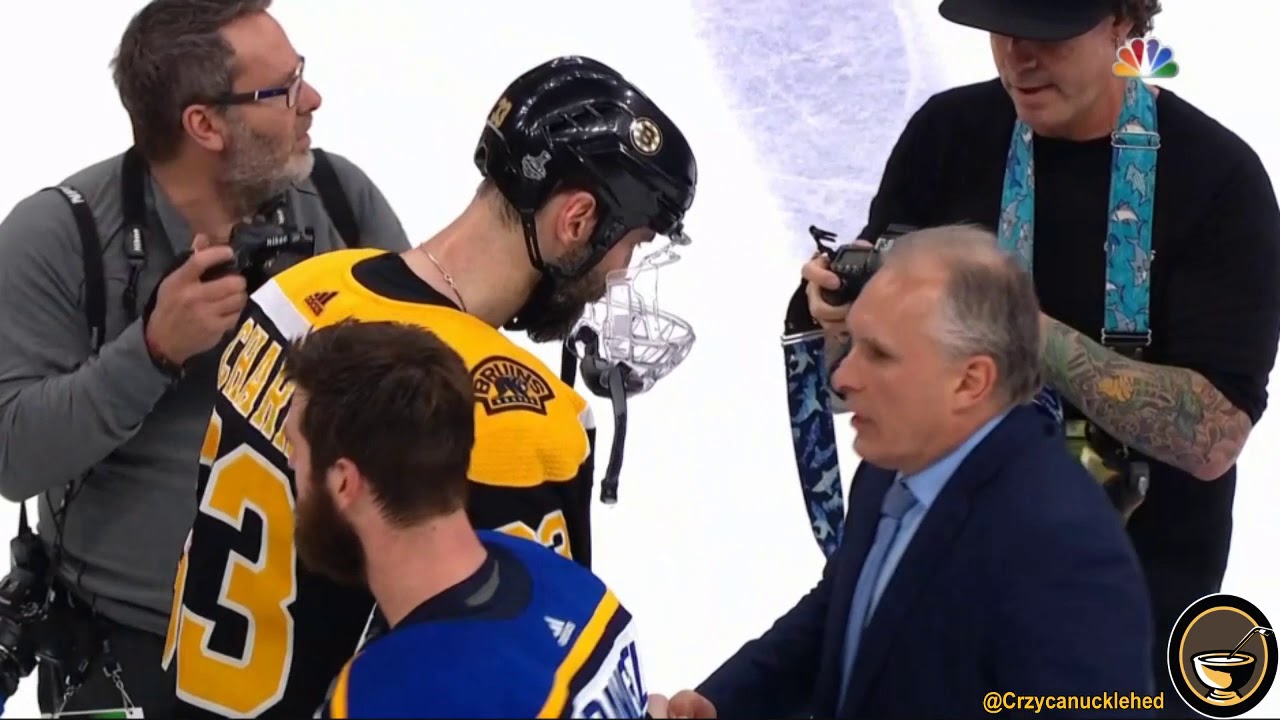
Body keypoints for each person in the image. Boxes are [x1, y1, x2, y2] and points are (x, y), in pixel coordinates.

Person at [164, 54, 697, 718]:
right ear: (578, 220)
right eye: (634, 244)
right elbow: (523, 679)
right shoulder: (515, 414)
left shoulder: (300, 293)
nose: (622, 270)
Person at [799, 0, 1280, 712]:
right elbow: (858, 378)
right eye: (1003, 28)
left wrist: (1016, 328)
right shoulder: (948, 136)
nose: (1018, 57)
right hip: (940, 590)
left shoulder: (1218, 182)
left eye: (1049, 34)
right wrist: (843, 314)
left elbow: (1211, 437)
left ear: (1122, 22)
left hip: (1125, 629)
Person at [0, 0, 409, 715]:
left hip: (333, 647)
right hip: (133, 658)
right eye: (283, 89)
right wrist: (153, 351)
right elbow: (13, 457)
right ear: (205, 124)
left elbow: (431, 384)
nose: (312, 100)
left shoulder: (338, 201)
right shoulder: (57, 235)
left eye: (300, 75)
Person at [653, 226, 1154, 719]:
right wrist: (722, 702)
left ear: (970, 381)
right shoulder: (890, 465)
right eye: (853, 346)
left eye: (879, 354)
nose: (844, 378)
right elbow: (844, 610)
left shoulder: (1065, 548)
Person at [276, 319, 649, 718]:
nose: (292, 462)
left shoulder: (390, 696)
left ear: (344, 482)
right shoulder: (571, 584)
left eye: (295, 446)